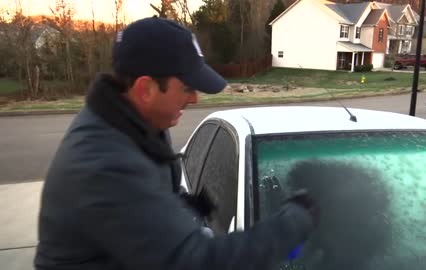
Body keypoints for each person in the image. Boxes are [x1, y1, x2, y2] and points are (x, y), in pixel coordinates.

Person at [34, 17, 318, 270]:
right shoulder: (104, 165)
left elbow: (137, 203)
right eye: (187, 87)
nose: (194, 99)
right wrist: (292, 224)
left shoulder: (136, 123)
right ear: (146, 89)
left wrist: (183, 206)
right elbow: (195, 261)